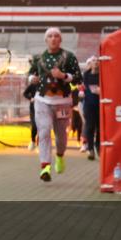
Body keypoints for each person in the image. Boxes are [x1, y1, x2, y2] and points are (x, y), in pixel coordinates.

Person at [27, 28, 82, 182]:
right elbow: (31, 73)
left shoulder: (69, 57)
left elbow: (78, 77)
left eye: (56, 36)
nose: (53, 38)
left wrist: (64, 76)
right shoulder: (38, 57)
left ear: (60, 39)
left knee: (61, 135)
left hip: (62, 101)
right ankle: (45, 166)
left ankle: (60, 155)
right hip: (42, 100)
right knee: (44, 131)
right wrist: (32, 78)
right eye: (50, 36)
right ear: (46, 40)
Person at [81, 56, 101, 161]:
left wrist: (101, 91)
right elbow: (82, 88)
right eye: (94, 61)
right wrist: (81, 93)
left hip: (100, 104)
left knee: (100, 127)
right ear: (90, 63)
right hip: (88, 105)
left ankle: (98, 147)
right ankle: (90, 149)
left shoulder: (103, 75)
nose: (96, 62)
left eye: (98, 60)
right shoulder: (86, 75)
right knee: (89, 127)